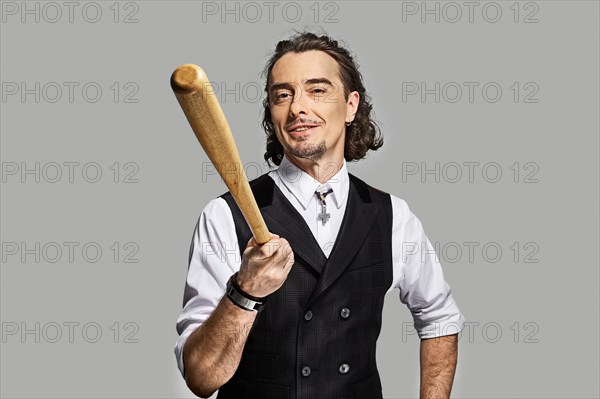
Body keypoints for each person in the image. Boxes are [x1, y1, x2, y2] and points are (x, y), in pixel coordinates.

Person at [175, 31, 465, 399]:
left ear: (350, 105)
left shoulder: (393, 216)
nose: (297, 107)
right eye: (283, 94)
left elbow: (440, 318)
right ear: (272, 112)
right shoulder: (224, 216)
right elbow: (200, 378)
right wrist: (244, 292)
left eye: (317, 90)